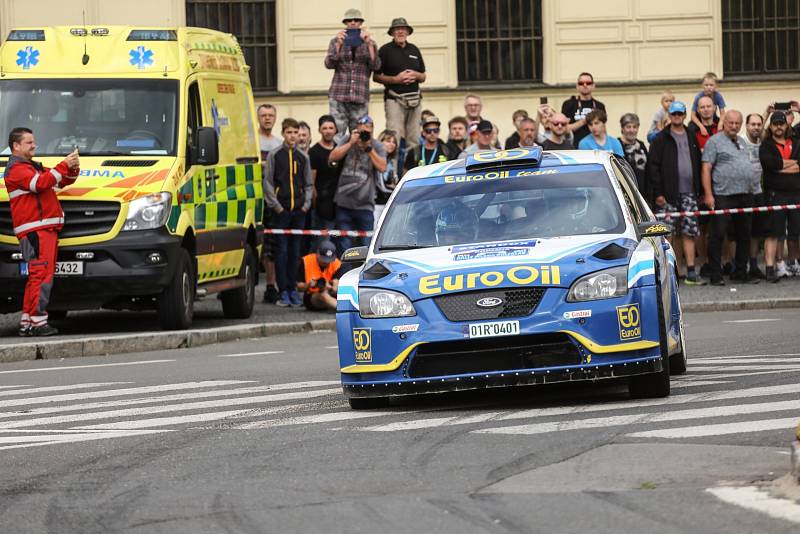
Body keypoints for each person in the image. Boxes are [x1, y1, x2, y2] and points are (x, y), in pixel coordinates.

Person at [5, 127, 80, 336]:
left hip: (42, 229)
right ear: (16, 146)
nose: (34, 145)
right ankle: (38, 323)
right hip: (36, 230)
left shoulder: (31, 167)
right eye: (29, 142)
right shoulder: (17, 169)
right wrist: (64, 164)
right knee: (41, 276)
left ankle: (27, 322)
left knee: (37, 276)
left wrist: (73, 168)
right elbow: (41, 184)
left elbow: (61, 180)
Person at [647, 101, 705, 285]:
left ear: (685, 115)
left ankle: (690, 271)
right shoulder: (660, 138)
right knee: (667, 233)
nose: (677, 117)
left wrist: (699, 191)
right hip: (667, 194)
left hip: (689, 193)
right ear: (669, 116)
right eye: (674, 114)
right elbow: (653, 168)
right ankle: (669, 271)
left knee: (689, 232)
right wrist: (658, 193)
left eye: (680, 113)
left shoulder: (691, 135)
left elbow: (698, 163)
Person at [702, 110, 757, 285]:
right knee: (717, 235)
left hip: (745, 194)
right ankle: (716, 274)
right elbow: (706, 169)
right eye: (730, 122)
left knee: (744, 235)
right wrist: (709, 195)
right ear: (724, 122)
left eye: (737, 123)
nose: (734, 126)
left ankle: (740, 272)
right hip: (723, 195)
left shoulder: (741, 141)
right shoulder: (714, 141)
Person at [263, 118, 313, 307]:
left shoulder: (303, 157)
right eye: (289, 132)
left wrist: (306, 204)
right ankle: (283, 290)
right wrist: (276, 206)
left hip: (299, 211)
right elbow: (268, 182)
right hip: (281, 211)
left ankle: (293, 289)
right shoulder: (275, 155)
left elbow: (308, 183)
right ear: (283, 133)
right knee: (281, 252)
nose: (292, 136)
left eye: (295, 132)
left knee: (295, 253)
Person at [329, 115, 387, 253]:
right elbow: (332, 157)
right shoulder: (349, 139)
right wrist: (350, 143)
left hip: (365, 204)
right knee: (344, 245)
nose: (364, 133)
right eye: (362, 130)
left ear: (372, 130)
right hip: (344, 202)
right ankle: (345, 274)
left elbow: (382, 167)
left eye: (368, 130)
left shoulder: (377, 145)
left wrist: (368, 148)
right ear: (357, 129)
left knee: (366, 245)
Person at [324, 8, 380, 144]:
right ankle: (337, 163)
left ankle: (355, 164)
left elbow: (376, 66)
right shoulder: (336, 41)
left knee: (360, 135)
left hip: (359, 97)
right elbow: (329, 63)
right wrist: (338, 45)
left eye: (356, 20)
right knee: (337, 135)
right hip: (339, 95)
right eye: (349, 20)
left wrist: (369, 45)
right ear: (345, 23)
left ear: (361, 23)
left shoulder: (370, 43)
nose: (353, 23)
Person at [373, 17, 426, 151]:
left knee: (414, 139)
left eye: (403, 29)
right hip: (394, 100)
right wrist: (396, 79)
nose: (400, 32)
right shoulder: (384, 50)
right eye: (397, 29)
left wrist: (416, 75)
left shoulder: (414, 49)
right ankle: (392, 171)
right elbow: (376, 77)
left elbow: (423, 76)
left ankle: (413, 170)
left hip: (415, 101)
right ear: (392, 33)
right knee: (393, 138)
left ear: (408, 32)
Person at [759, 111, 800, 282]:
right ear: (771, 126)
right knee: (774, 232)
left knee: (795, 232)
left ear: (786, 125)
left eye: (781, 123)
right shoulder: (766, 145)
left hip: (796, 194)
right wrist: (793, 163)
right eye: (775, 124)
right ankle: (770, 267)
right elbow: (771, 166)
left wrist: (781, 167)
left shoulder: (796, 143)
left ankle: (793, 263)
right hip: (775, 195)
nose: (778, 127)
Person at [743, 113, 766, 279]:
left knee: (756, 233)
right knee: (740, 232)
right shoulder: (741, 140)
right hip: (742, 193)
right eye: (753, 124)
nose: (756, 127)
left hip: (758, 192)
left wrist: (768, 112)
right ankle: (739, 265)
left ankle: (753, 264)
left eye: (759, 124)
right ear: (746, 125)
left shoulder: (763, 143)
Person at [309, 115, 341, 231]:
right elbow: (312, 181)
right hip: (322, 203)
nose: (328, 131)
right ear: (319, 130)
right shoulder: (314, 151)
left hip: (338, 202)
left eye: (331, 128)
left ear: (336, 130)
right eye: (325, 128)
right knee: (322, 242)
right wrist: (315, 202)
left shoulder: (339, 149)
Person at [561, 72, 606, 146]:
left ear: (593, 86)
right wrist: (584, 121)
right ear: (577, 86)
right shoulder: (569, 104)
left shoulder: (599, 105)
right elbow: (564, 129)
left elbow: (603, 129)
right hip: (573, 146)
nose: (585, 85)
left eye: (588, 83)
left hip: (595, 147)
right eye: (581, 83)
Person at [297, 240, 342, 311]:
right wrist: (308, 285)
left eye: (329, 260)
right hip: (313, 296)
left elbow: (338, 283)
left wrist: (334, 286)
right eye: (324, 259)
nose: (326, 262)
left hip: (331, 294)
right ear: (317, 253)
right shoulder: (306, 261)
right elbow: (299, 287)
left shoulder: (337, 263)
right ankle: (343, 310)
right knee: (323, 295)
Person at [618, 113, 649, 198]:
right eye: (628, 127)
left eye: (634, 127)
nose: (632, 130)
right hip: (625, 194)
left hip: (642, 194)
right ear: (622, 128)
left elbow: (648, 171)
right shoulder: (617, 144)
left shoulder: (641, 145)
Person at [691, 72, 727, 137]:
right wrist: (701, 126)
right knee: (691, 127)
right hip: (699, 118)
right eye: (706, 85)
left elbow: (722, 113)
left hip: (713, 116)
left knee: (725, 125)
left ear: (716, 86)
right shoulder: (698, 97)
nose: (708, 87)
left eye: (711, 85)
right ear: (702, 86)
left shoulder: (718, 96)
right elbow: (693, 116)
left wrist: (721, 123)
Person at [376, 129, 399, 224]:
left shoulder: (390, 161)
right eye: (388, 141)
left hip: (387, 203)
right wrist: (395, 190)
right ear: (380, 142)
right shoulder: (377, 158)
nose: (391, 144)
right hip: (376, 203)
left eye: (394, 142)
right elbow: (380, 184)